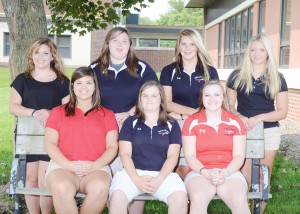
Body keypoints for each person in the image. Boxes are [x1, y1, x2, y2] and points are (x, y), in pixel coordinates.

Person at [90, 26, 158, 213]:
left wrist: (130, 112)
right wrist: (107, 117)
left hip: (136, 127)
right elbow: (85, 96)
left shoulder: (142, 68)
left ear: (130, 45)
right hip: (104, 129)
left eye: (124, 41)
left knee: (133, 172)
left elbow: (154, 94)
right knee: (110, 175)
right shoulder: (94, 69)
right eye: (115, 40)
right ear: (107, 44)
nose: (119, 45)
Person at [226, 34, 288, 213]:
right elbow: (228, 105)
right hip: (243, 130)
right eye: (252, 50)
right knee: (243, 179)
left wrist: (258, 118)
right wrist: (239, 116)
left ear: (268, 52)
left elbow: (282, 111)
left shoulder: (277, 77)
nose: (256, 53)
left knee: (263, 177)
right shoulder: (237, 75)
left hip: (268, 131)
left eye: (261, 49)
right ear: (248, 52)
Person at [44, 67, 118, 214]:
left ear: (95, 86)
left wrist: (94, 165)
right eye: (79, 83)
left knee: (100, 188)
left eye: (88, 83)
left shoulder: (107, 115)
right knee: (62, 187)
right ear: (72, 86)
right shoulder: (57, 112)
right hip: (62, 166)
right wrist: (68, 165)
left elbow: (112, 147)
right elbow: (50, 144)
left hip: (97, 167)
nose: (84, 87)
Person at [9, 38, 70, 214]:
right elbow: (13, 107)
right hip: (28, 138)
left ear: (53, 56)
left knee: (45, 181)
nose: (41, 57)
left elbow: (68, 110)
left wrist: (51, 113)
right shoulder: (23, 79)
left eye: (45, 53)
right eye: (37, 52)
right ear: (31, 55)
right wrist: (34, 112)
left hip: (52, 138)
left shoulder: (62, 81)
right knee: (30, 180)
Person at [109, 81, 188, 214]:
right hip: (132, 173)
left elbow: (173, 156)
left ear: (161, 99)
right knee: (117, 198)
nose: (149, 99)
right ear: (139, 99)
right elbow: (125, 154)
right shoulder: (130, 123)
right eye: (145, 96)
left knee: (180, 199)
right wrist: (136, 179)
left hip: (163, 174)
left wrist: (159, 179)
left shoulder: (172, 125)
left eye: (154, 96)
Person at [182, 80, 250, 214]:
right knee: (198, 197)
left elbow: (239, 156)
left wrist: (224, 173)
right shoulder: (192, 122)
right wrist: (207, 173)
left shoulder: (235, 122)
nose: (212, 99)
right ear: (202, 98)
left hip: (230, 171)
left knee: (239, 198)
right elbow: (190, 156)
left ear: (223, 97)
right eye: (207, 95)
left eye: (217, 95)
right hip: (199, 172)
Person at [160, 28, 219, 179]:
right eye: (183, 44)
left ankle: (189, 198)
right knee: (178, 169)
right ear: (178, 47)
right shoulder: (169, 71)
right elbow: (166, 103)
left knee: (187, 169)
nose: (187, 48)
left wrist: (190, 116)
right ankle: (180, 199)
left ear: (198, 46)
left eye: (192, 44)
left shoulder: (209, 71)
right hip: (176, 123)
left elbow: (214, 101)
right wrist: (193, 113)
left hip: (202, 123)